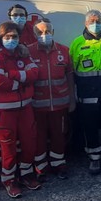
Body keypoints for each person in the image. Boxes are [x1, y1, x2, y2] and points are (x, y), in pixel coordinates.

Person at [0, 21, 40, 198]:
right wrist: (21, 81)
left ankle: (25, 174)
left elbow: (35, 73)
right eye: (7, 37)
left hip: (25, 108)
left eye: (15, 36)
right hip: (4, 112)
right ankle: (8, 179)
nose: (11, 40)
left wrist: (11, 75)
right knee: (8, 149)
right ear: (1, 38)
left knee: (29, 144)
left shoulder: (23, 53)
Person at [69, 10, 101, 175]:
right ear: (85, 24)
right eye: (92, 21)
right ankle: (94, 158)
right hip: (87, 97)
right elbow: (71, 70)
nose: (95, 23)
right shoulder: (77, 43)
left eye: (98, 20)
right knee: (89, 128)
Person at [28, 20, 75, 181]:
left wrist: (72, 100)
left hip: (60, 104)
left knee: (59, 136)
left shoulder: (64, 50)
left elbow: (69, 76)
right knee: (38, 137)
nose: (44, 35)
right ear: (34, 34)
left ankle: (59, 165)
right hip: (37, 106)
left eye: (47, 31)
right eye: (40, 32)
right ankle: (41, 168)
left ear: (53, 32)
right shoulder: (28, 52)